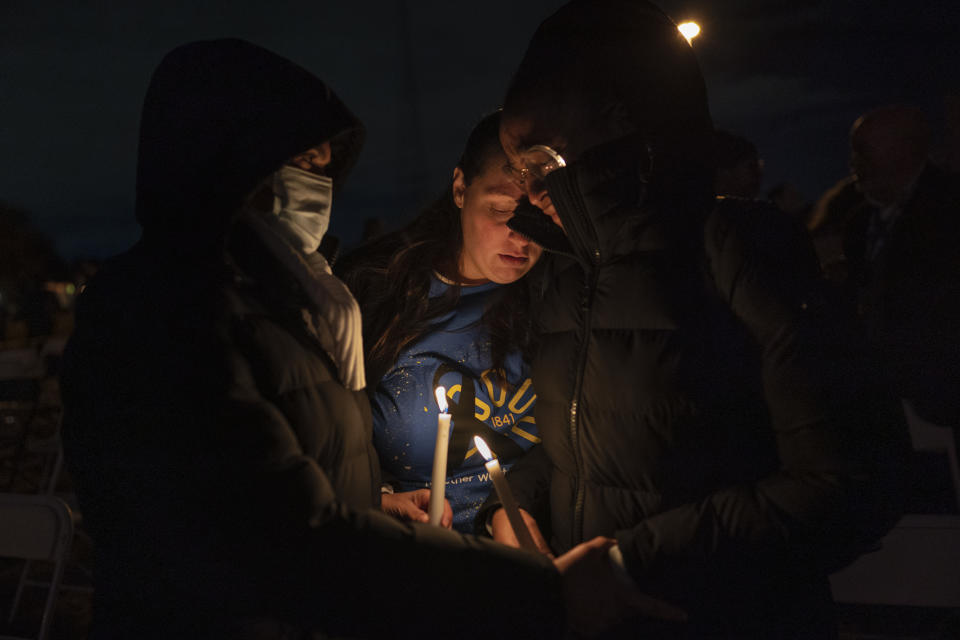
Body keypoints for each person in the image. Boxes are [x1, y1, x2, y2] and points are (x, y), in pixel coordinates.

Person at [59, 38, 635, 639]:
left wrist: (371, 502)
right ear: (218, 159)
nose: (316, 186)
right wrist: (540, 590)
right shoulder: (167, 313)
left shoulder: (293, 306)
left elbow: (295, 482)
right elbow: (286, 542)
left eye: (325, 165)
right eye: (299, 162)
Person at [479, 2, 908, 637]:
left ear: (619, 125)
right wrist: (512, 507)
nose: (527, 188)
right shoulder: (569, 271)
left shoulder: (736, 246)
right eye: (517, 168)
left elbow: (850, 476)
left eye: (539, 159)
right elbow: (590, 451)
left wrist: (628, 565)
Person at [339, 112, 544, 533]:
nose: (522, 237)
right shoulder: (373, 292)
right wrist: (377, 499)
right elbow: (323, 445)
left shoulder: (558, 294)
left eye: (538, 218)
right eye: (503, 211)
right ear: (459, 188)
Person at [843, 105, 960, 432]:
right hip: (891, 405)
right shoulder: (857, 224)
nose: (854, 162)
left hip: (942, 398)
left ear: (902, 148)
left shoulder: (950, 208)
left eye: (862, 150)